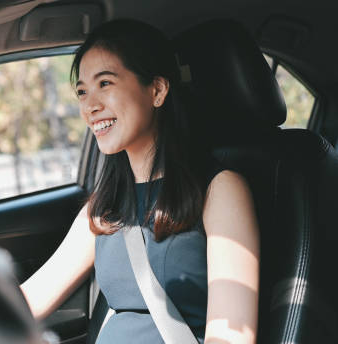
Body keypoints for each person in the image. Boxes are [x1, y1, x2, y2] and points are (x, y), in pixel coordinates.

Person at [20, 19, 260, 343]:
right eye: (81, 91)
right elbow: (28, 300)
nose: (90, 105)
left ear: (157, 90)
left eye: (105, 84)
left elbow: (232, 338)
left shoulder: (221, 191)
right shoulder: (103, 207)